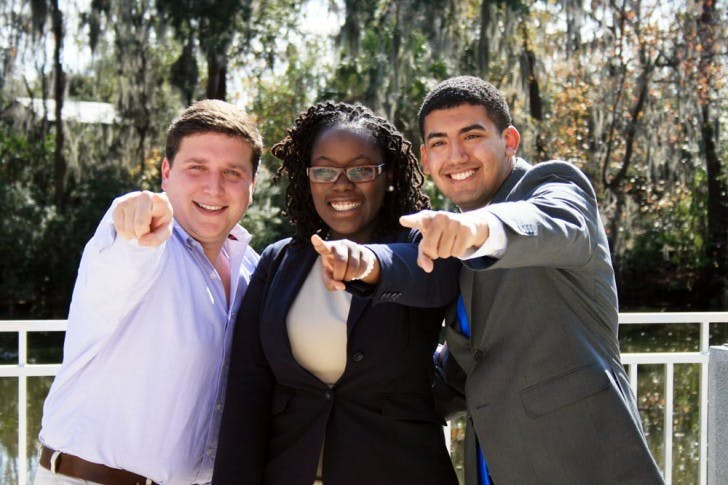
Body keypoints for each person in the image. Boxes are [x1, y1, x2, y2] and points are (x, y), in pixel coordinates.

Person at [399, 76, 664, 484]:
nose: (455, 155)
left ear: (509, 140)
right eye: (439, 143)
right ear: (425, 156)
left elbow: (551, 222)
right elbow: (466, 369)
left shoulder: (553, 187)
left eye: (472, 136)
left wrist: (477, 230)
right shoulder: (453, 245)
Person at [212, 101, 460, 485]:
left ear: (388, 173)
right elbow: (248, 394)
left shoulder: (426, 245)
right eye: (324, 170)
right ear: (307, 177)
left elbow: (430, 278)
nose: (341, 184)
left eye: (361, 169)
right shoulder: (279, 263)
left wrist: (367, 264)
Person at [35, 99, 262, 485]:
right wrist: (131, 218)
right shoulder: (144, 241)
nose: (214, 186)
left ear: (252, 186)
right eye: (197, 168)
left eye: (232, 172)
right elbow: (125, 252)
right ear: (166, 172)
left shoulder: (252, 270)